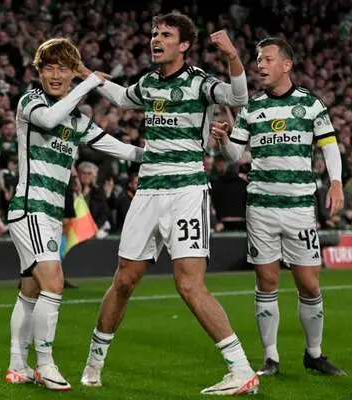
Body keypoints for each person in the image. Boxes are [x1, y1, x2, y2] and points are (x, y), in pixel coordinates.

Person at [77, 12, 259, 396]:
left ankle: (241, 369)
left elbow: (239, 97)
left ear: (184, 45)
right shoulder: (148, 83)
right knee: (124, 280)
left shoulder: (199, 83)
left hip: (186, 193)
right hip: (147, 192)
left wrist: (232, 57)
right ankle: (94, 364)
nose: (156, 39)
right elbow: (122, 97)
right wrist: (84, 73)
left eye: (165, 34)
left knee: (189, 286)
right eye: (154, 33)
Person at [4, 38, 144, 391]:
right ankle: (45, 364)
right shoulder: (31, 102)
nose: (55, 75)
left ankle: (17, 364)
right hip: (29, 207)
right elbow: (50, 118)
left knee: (31, 289)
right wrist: (88, 83)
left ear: (70, 72)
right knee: (54, 282)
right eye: (48, 68)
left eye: (62, 68)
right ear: (39, 72)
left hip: (50, 213)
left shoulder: (78, 120)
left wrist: (158, 155)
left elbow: (120, 149)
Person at [211, 37, 346, 377]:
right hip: (261, 207)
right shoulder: (252, 109)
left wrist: (336, 182)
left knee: (309, 283)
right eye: (258, 59)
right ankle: (270, 357)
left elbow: (329, 146)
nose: (260, 64)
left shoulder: (311, 105)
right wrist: (224, 140)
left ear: (286, 65)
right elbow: (234, 156)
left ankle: (313, 353)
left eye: (267, 59)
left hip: (299, 206)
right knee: (266, 280)